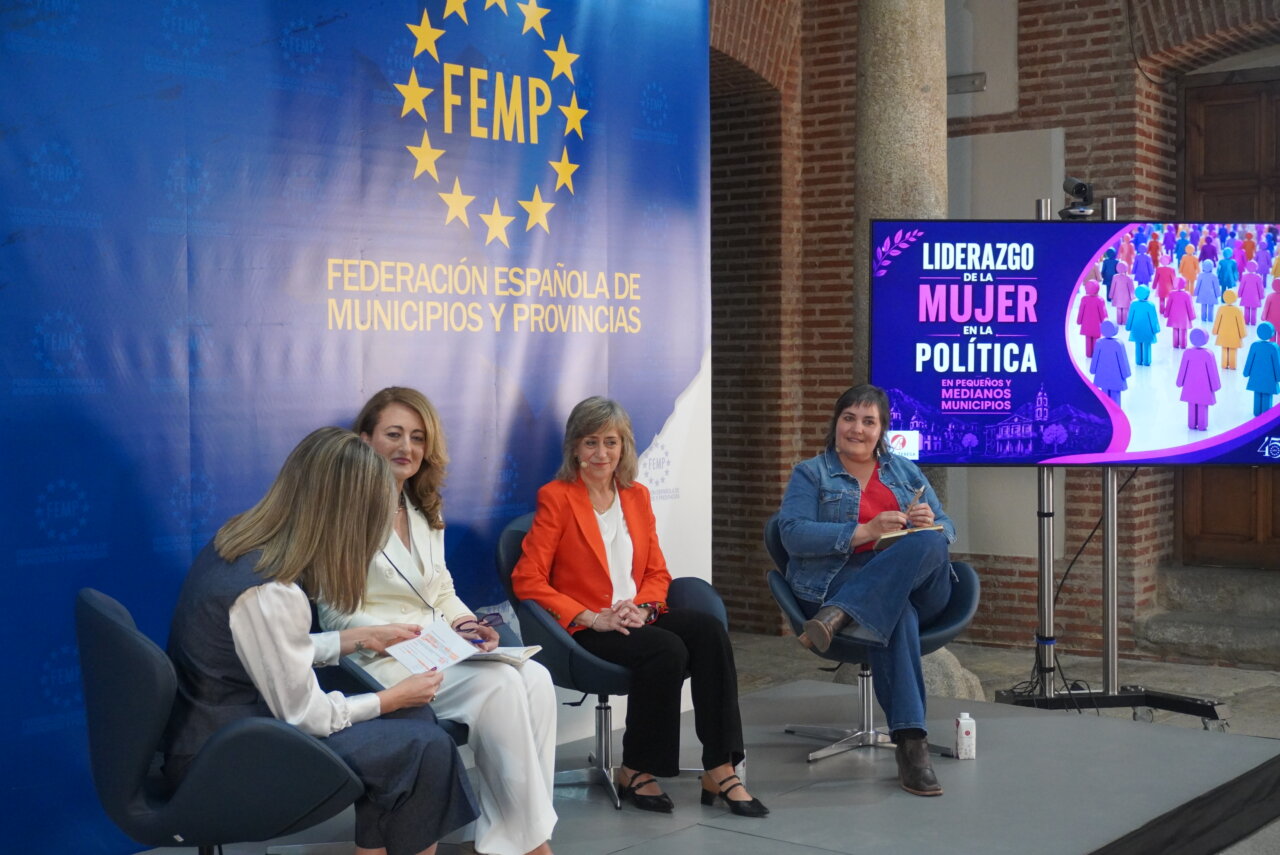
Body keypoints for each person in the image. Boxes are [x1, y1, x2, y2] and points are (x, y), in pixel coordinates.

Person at [164, 427, 478, 855]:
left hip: (229, 725)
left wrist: (351, 639)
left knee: (415, 723)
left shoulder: (244, 541)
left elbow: (260, 654)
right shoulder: (271, 590)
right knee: (427, 747)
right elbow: (304, 717)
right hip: (226, 759)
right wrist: (392, 699)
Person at [318, 387, 557, 855]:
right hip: (378, 658)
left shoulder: (424, 506)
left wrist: (468, 625)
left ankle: (511, 831)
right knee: (502, 688)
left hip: (442, 647)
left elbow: (441, 590)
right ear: (365, 439)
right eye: (393, 434)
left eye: (417, 437)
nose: (406, 447)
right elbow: (334, 612)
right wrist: (403, 637)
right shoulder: (339, 513)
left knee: (537, 679)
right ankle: (531, 847)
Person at [511, 396, 767, 818]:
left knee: (708, 631)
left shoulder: (636, 495)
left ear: (624, 446)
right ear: (574, 447)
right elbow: (527, 580)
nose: (601, 454)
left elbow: (656, 571)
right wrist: (594, 616)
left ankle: (720, 765)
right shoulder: (557, 498)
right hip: (586, 627)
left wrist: (646, 608)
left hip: (636, 615)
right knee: (667, 650)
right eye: (590, 443)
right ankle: (636, 768)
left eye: (610, 442)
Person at [776, 384, 955, 797]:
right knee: (897, 614)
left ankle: (840, 615)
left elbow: (948, 528)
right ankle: (912, 746)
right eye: (849, 418)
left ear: (882, 430)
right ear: (836, 422)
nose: (857, 429)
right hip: (842, 574)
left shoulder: (905, 471)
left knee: (929, 540)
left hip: (916, 581)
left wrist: (928, 522)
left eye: (869, 421)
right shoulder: (811, 473)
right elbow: (792, 535)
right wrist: (865, 531)